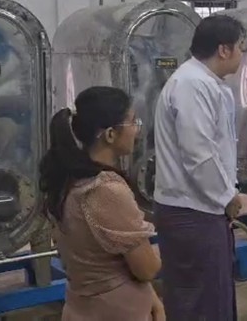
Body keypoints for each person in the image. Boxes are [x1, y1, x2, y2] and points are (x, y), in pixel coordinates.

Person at [38, 86, 164, 320]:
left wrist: (150, 296)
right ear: (110, 135)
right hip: (117, 311)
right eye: (132, 122)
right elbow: (146, 269)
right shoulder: (106, 190)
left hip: (80, 306)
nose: (137, 130)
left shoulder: (67, 180)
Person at [153, 14, 245, 321]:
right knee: (200, 303)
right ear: (224, 50)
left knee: (214, 297)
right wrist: (226, 197)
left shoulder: (206, 83)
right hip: (192, 211)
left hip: (202, 207)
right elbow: (199, 155)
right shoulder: (192, 84)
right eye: (240, 47)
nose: (242, 54)